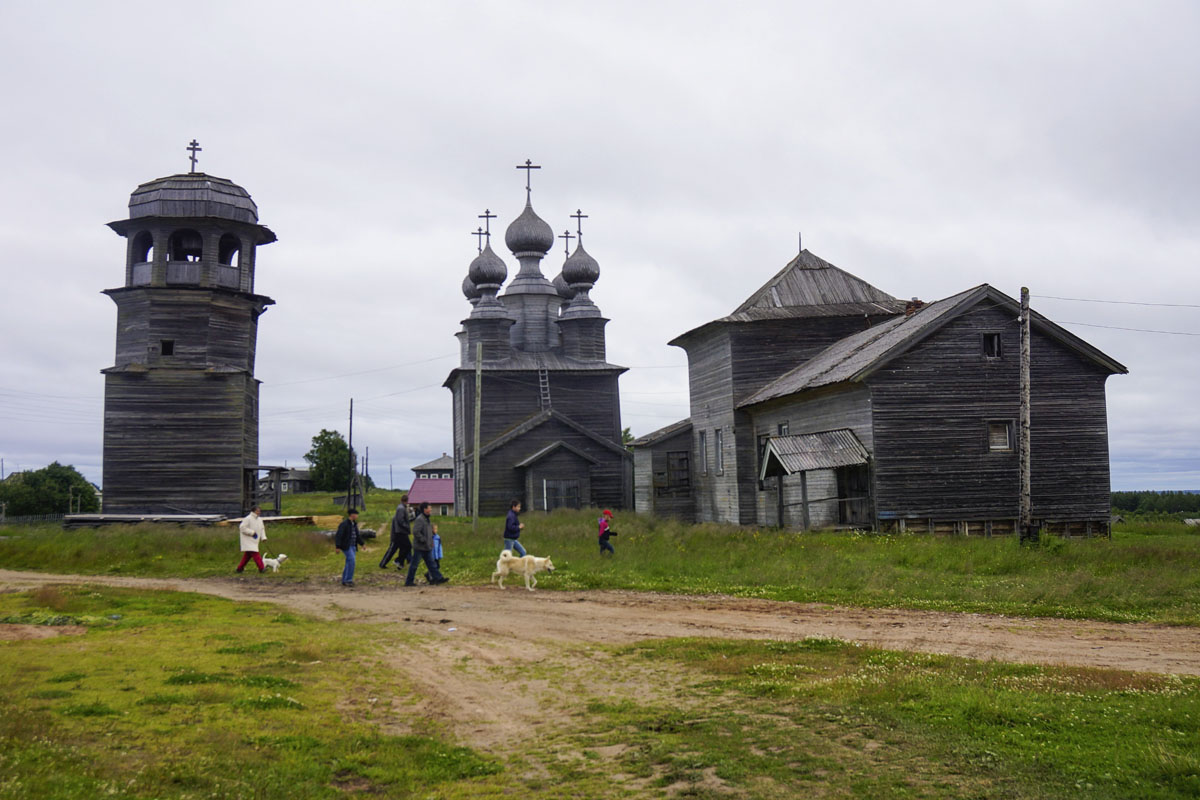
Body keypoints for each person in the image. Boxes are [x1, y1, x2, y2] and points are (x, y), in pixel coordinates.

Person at [406, 502, 448, 586]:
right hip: (419, 547)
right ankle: (409, 582)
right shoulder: (420, 519)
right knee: (414, 565)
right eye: (429, 508)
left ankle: (438, 578)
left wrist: (430, 542)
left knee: (432, 564)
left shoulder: (426, 519)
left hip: (427, 547)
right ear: (425, 509)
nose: (431, 509)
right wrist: (423, 540)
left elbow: (429, 533)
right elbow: (415, 531)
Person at [380, 494, 412, 570]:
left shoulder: (400, 508)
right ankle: (397, 561)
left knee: (403, 548)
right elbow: (401, 521)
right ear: (406, 501)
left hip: (399, 532)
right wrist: (407, 526)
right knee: (405, 547)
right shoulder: (401, 509)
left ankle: (400, 564)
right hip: (400, 533)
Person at [236, 505, 267, 573]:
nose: (259, 512)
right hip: (248, 540)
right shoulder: (248, 518)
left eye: (259, 511)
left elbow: (262, 529)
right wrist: (252, 533)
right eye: (257, 511)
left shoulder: (259, 519)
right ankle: (261, 568)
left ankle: (239, 568)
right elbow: (242, 528)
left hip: (255, 540)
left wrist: (263, 537)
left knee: (247, 555)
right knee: (255, 553)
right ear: (253, 511)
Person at [335, 508, 361, 587]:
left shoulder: (354, 524)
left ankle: (344, 579)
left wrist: (362, 543)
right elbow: (339, 535)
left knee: (349, 562)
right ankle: (348, 580)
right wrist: (338, 546)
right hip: (346, 545)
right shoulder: (344, 524)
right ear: (352, 515)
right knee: (352, 561)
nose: (357, 516)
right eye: (356, 514)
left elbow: (357, 535)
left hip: (353, 546)